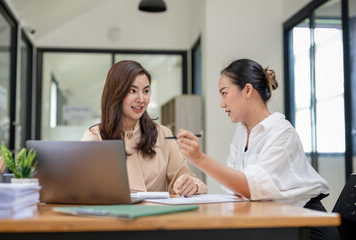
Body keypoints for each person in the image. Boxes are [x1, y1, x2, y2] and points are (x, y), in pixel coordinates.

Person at [176, 58, 339, 240]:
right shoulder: (242, 131)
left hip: (306, 227)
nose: (222, 104)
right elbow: (233, 186)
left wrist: (199, 159)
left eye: (224, 93)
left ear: (247, 90)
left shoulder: (281, 131)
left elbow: (250, 187)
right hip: (274, 220)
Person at [81, 60, 207, 197]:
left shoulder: (163, 134)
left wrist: (189, 184)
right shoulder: (95, 136)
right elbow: (77, 183)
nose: (141, 99)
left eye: (146, 91)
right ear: (116, 93)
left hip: (154, 216)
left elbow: (183, 176)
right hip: (111, 216)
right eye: (132, 90)